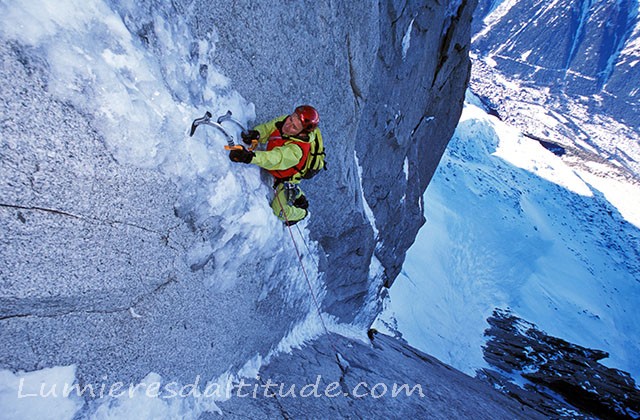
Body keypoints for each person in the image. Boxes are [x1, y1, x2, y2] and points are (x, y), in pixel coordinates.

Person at [228, 105, 321, 225]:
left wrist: (249, 157)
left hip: (285, 179)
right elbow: (269, 128)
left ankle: (302, 213)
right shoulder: (285, 121)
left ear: (302, 133)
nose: (288, 125)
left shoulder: (296, 151)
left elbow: (274, 159)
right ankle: (297, 195)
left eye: (294, 127)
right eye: (291, 119)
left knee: (279, 211)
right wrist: (257, 134)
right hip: (280, 167)